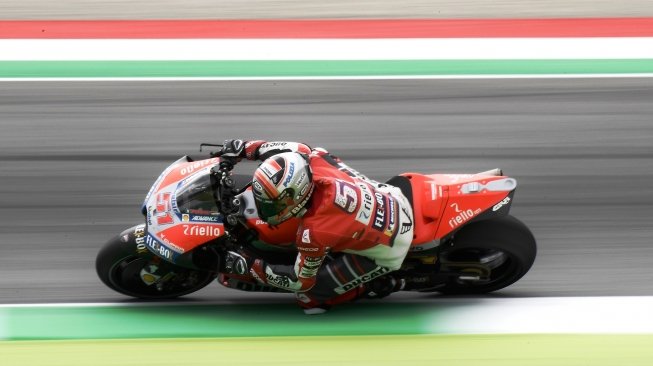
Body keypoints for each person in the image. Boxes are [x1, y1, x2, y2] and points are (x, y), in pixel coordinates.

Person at [220, 139, 414, 314]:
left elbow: (300, 281)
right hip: (392, 197)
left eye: (274, 204)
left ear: (298, 194)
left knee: (309, 297)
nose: (266, 209)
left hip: (393, 245)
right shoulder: (313, 158)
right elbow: (292, 148)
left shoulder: (315, 232)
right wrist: (244, 148)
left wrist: (251, 267)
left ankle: (376, 286)